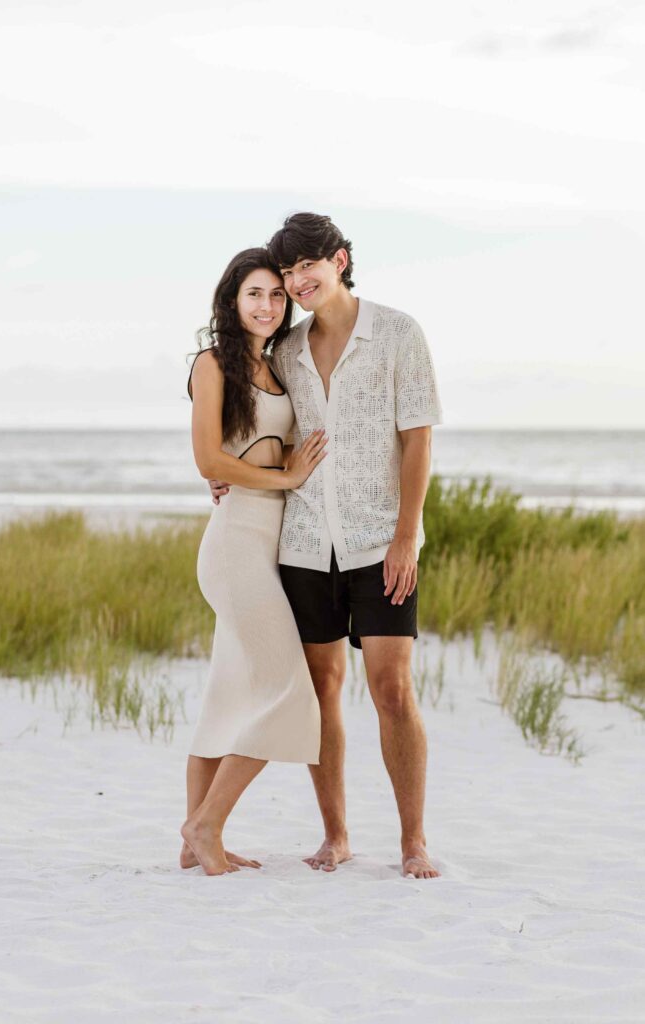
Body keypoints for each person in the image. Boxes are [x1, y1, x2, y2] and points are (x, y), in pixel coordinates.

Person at [210, 214, 443, 879]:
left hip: (379, 545)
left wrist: (405, 537)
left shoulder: (396, 332)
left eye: (307, 265)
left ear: (339, 259)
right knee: (321, 690)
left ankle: (412, 842)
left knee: (392, 688)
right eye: (286, 273)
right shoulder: (284, 351)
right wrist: (228, 473)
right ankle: (335, 835)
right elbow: (265, 428)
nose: (296, 281)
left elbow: (418, 439)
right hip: (306, 543)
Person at [180, 247, 326, 876]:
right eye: (254, 295)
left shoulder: (278, 368)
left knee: (228, 695)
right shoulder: (215, 364)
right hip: (236, 543)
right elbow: (210, 462)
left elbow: (264, 448)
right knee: (291, 694)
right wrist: (285, 476)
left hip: (269, 545)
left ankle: (192, 846)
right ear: (231, 301)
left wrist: (284, 467)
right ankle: (206, 825)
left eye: (275, 295)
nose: (267, 305)